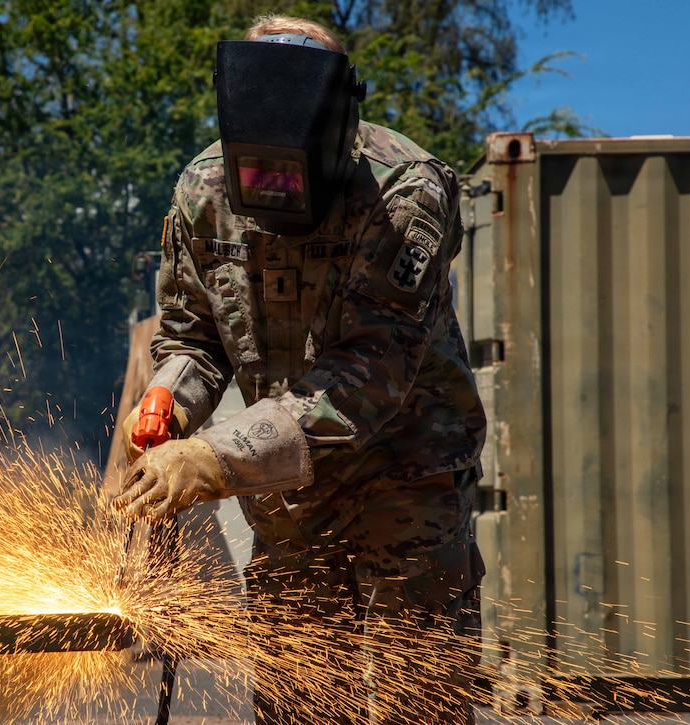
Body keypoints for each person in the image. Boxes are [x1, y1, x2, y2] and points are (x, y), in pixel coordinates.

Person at [114, 13, 487, 725]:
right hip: (286, 496)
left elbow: (370, 373)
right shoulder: (203, 190)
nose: (270, 189)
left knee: (423, 705)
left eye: (288, 170)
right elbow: (194, 337)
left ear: (340, 125)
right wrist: (169, 401)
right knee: (301, 706)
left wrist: (215, 458)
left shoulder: (406, 193)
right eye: (252, 168)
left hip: (405, 482)